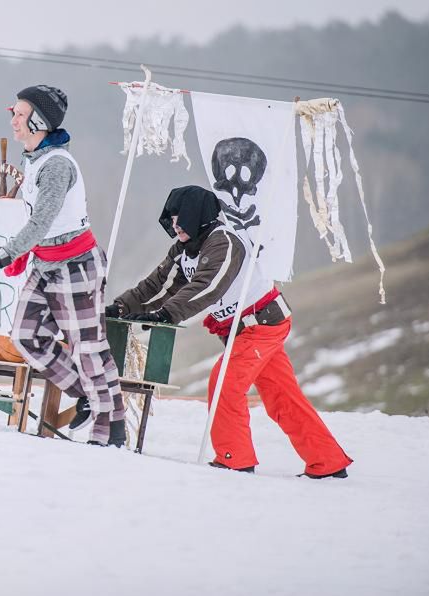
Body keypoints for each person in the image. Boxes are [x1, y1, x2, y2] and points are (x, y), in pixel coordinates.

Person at [108, 185, 353, 478]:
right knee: (281, 396)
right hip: (241, 330)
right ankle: (327, 461)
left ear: (198, 216)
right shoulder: (184, 249)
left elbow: (208, 287)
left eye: (181, 218)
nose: (175, 225)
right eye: (172, 219)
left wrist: (166, 314)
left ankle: (234, 459)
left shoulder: (224, 242)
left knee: (224, 381)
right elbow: (157, 285)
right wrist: (121, 308)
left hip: (262, 324)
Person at [0, 85, 126, 446]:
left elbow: (41, 222)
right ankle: (86, 394)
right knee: (26, 336)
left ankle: (111, 429)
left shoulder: (56, 165)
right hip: (45, 263)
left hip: (75, 265)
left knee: (89, 349)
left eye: (19, 114)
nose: (13, 120)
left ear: (39, 121)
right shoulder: (35, 158)